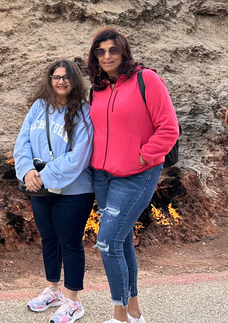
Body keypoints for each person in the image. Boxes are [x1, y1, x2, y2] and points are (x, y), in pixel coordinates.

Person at [86, 28, 179, 323]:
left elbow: (169, 128)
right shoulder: (97, 89)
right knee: (122, 240)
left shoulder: (146, 80)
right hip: (102, 176)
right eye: (100, 52)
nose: (107, 56)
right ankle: (134, 310)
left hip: (137, 175)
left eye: (112, 50)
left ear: (124, 51)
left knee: (107, 242)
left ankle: (120, 316)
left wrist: (142, 156)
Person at [14, 59, 95, 323]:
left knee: (69, 243)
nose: (61, 81)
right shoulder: (39, 107)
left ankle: (73, 302)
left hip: (74, 191)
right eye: (56, 77)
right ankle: (54, 290)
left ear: (75, 81)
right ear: (49, 80)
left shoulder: (84, 112)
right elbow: (22, 141)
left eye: (66, 77)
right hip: (39, 188)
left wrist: (43, 176)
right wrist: (27, 171)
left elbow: (78, 156)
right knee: (49, 239)